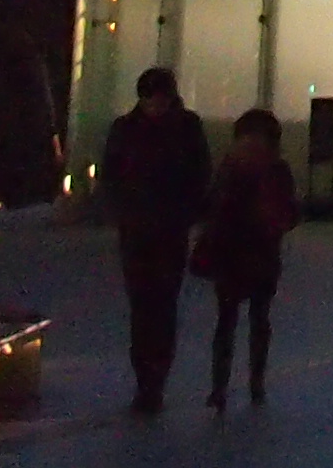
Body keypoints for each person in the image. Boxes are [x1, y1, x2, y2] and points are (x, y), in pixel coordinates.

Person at [97, 67, 211, 416]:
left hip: (153, 229)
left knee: (152, 306)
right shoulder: (182, 128)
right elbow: (198, 172)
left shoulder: (130, 129)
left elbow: (113, 175)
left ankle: (151, 380)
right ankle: (150, 378)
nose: (155, 105)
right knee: (152, 306)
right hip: (151, 229)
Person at [193, 107, 299, 411]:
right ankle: (255, 383)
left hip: (232, 250)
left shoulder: (230, 167)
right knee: (258, 319)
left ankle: (220, 387)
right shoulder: (276, 169)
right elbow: (290, 213)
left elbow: (211, 205)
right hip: (261, 250)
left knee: (227, 321)